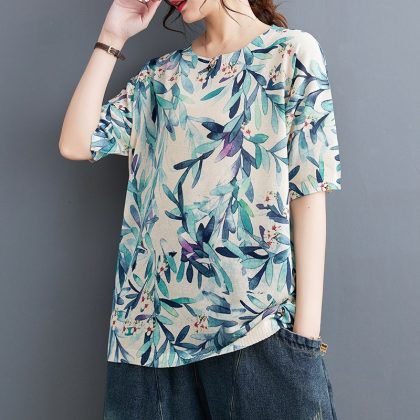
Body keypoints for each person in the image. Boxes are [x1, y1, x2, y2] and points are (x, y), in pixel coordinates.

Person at [59, 0, 342, 418]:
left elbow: (310, 192)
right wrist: (112, 35)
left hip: (257, 334)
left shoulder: (290, 53)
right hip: (150, 344)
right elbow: (76, 142)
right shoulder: (162, 77)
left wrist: (304, 337)